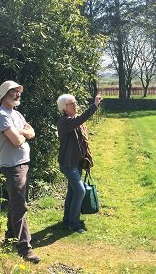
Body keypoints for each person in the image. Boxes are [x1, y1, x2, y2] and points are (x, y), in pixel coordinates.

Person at [0, 80, 41, 263]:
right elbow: (16, 140)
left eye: (18, 92)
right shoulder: (2, 115)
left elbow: (32, 132)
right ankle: (24, 248)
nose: (18, 94)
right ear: (4, 94)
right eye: (14, 92)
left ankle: (9, 237)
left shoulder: (17, 114)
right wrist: (23, 133)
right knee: (19, 205)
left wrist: (23, 132)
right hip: (12, 166)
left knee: (17, 201)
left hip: (23, 163)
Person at [56, 94, 102, 233]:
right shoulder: (64, 122)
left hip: (76, 163)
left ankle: (67, 220)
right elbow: (81, 118)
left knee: (72, 191)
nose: (76, 105)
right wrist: (94, 105)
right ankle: (74, 224)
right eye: (72, 103)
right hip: (68, 164)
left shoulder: (74, 121)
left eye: (75, 102)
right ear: (65, 108)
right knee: (80, 190)